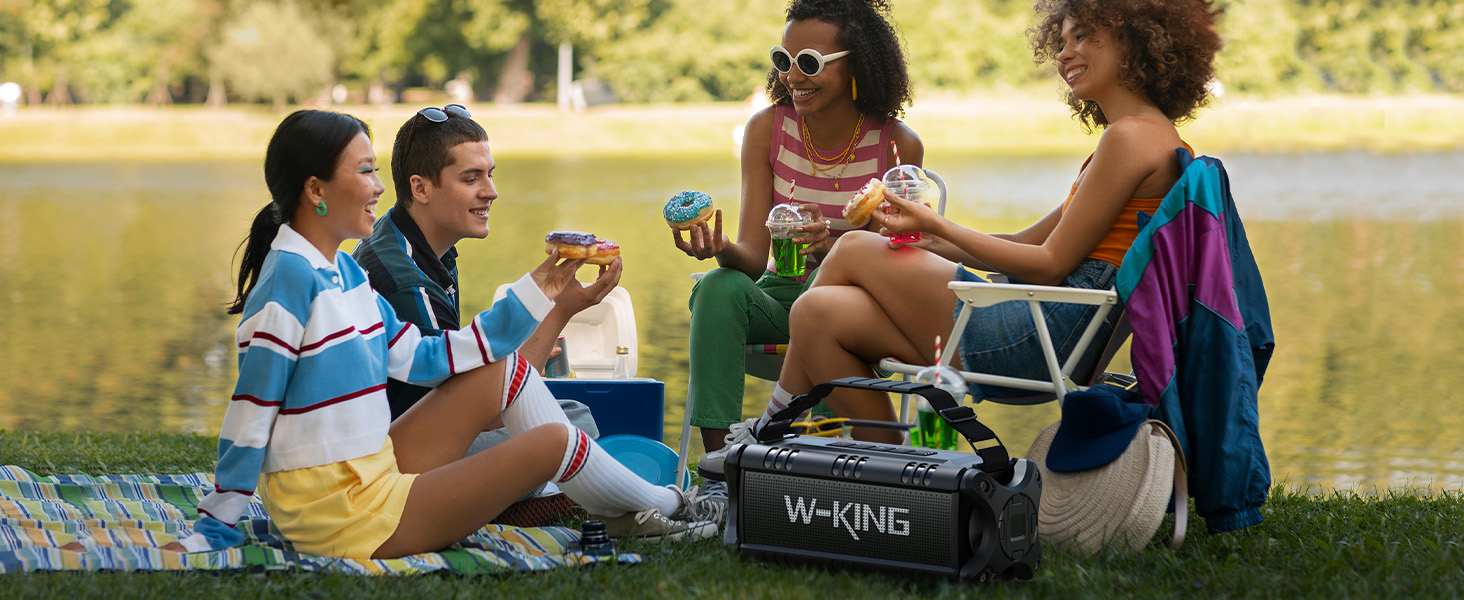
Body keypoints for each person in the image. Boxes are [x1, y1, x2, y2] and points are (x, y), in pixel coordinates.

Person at [166, 110, 723, 558]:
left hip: (370, 468)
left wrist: (540, 290)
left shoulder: (343, 271)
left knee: (504, 373)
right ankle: (673, 505)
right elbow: (251, 408)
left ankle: (659, 509)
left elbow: (424, 357)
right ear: (316, 189)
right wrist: (218, 521)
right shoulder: (288, 280)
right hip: (338, 516)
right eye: (364, 172)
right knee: (554, 439)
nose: (378, 187)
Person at [699, 0, 1224, 475]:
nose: (1067, 53)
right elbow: (1025, 240)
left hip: (1043, 333)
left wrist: (935, 225)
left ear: (1138, 40)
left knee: (855, 246)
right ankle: (894, 473)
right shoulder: (1144, 135)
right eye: (1062, 40)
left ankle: (767, 432)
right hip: (1051, 326)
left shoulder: (1130, 137)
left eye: (1085, 36)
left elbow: (1044, 263)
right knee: (819, 314)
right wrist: (928, 240)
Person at [674, 0, 923, 466]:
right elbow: (752, 256)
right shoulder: (767, 129)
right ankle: (722, 467)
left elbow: (897, 261)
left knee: (825, 308)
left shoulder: (896, 145)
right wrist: (722, 248)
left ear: (858, 65)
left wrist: (829, 243)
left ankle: (809, 462)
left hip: (851, 307)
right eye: (782, 61)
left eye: (809, 63)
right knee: (717, 286)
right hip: (779, 293)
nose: (792, 76)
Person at [351, 104, 603, 525]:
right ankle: (495, 506)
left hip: (409, 437)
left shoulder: (418, 244)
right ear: (421, 188)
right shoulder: (407, 282)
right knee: (573, 424)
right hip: (398, 462)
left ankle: (521, 493)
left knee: (567, 415)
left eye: (490, 174)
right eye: (471, 178)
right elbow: (475, 407)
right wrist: (557, 312)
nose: (491, 191)